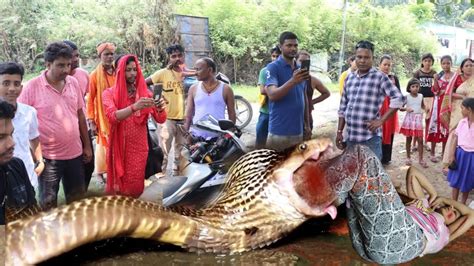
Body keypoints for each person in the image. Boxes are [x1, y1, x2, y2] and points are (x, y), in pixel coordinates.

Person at [326, 145, 474, 264]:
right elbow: (413, 172)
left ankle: (323, 196)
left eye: (456, 213)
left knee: (362, 153)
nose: (452, 209)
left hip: (406, 240)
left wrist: (447, 200)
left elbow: (471, 215)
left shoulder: (447, 233)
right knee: (355, 183)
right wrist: (434, 195)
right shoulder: (423, 205)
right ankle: (327, 196)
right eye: (450, 207)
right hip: (374, 247)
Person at [18, 42, 92, 210]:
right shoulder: (32, 87)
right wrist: (35, 158)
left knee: (77, 201)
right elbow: (23, 124)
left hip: (75, 154)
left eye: (68, 65)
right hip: (48, 159)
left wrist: (87, 146)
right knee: (48, 203)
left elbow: (81, 115)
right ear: (47, 64)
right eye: (60, 65)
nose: (66, 70)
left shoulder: (73, 82)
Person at [103, 54, 167, 197]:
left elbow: (161, 119)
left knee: (136, 187)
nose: (132, 74)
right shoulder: (109, 93)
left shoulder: (145, 93)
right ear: (119, 72)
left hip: (139, 148)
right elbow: (113, 117)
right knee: (119, 188)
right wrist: (134, 107)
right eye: (128, 70)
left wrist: (160, 107)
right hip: (119, 147)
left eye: (134, 69)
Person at [336, 40, 403, 160]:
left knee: (371, 176)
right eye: (359, 57)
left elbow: (398, 98)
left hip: (370, 139)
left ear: (373, 58)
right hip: (350, 137)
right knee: (353, 174)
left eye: (366, 57)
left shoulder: (380, 78)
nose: (362, 60)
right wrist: (339, 131)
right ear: (354, 58)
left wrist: (381, 120)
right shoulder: (349, 78)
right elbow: (343, 107)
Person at [0, 62, 43, 188]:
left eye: (16, 84)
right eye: (6, 83)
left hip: (27, 175)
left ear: (21, 87)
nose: (12, 88)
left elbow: (34, 138)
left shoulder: (29, 112)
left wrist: (40, 160)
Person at [145, 44, 186, 175]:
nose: (177, 58)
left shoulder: (189, 74)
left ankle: (177, 176)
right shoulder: (163, 73)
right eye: (173, 56)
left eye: (180, 55)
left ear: (183, 56)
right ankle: (161, 178)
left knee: (182, 151)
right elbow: (143, 84)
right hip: (166, 119)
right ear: (169, 58)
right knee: (164, 152)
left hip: (184, 120)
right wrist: (155, 97)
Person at [265, 31, 309, 149]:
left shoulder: (301, 69)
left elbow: (304, 97)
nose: (293, 49)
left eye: (295, 45)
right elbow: (272, 95)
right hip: (279, 132)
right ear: (280, 47)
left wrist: (307, 125)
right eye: (289, 45)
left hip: (297, 132)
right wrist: (293, 81)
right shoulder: (273, 67)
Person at [63, 40, 95, 190]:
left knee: (89, 164)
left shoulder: (82, 75)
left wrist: (92, 120)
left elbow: (88, 99)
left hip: (83, 126)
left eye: (77, 55)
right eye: (72, 56)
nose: (76, 59)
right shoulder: (55, 78)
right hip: (65, 133)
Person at [0, 101, 38, 225]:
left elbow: (33, 213)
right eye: (1, 138)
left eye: (11, 134)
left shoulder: (16, 166)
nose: (11, 143)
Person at [184, 57, 236, 140]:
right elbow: (188, 114)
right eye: (195, 69)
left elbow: (232, 114)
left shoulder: (226, 89)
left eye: (198, 69)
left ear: (210, 70)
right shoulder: (193, 88)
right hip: (196, 136)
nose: (195, 73)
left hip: (218, 138)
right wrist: (186, 133)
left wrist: (230, 134)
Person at [87, 42, 116, 181]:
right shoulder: (94, 75)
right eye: (106, 54)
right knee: (104, 143)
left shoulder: (119, 71)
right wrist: (91, 120)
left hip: (118, 113)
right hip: (103, 116)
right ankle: (101, 171)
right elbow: (90, 98)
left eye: (111, 54)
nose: (109, 57)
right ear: (100, 56)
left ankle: (113, 170)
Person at [440, 58, 474, 171]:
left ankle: (468, 163)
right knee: (456, 133)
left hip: (473, 109)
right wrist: (463, 97)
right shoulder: (457, 78)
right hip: (459, 109)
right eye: (467, 65)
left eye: (472, 65)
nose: (470, 67)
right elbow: (449, 93)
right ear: (462, 68)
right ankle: (450, 161)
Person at [296, 50, 330, 140]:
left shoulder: (312, 80)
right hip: (292, 117)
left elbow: (326, 93)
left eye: (306, 62)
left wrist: (311, 102)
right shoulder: (290, 78)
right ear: (295, 61)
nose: (303, 64)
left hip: (307, 116)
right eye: (301, 61)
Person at [447, 97, 474, 204]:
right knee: (456, 180)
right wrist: (451, 155)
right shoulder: (462, 122)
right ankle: (454, 203)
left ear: (469, 109)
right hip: (460, 154)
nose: (461, 110)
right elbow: (455, 139)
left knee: (467, 181)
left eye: (462, 108)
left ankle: (462, 203)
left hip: (471, 157)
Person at [426, 55, 454, 162]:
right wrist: (435, 80)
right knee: (435, 125)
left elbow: (456, 90)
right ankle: (432, 152)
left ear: (451, 63)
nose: (446, 65)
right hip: (438, 104)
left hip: (449, 105)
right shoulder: (439, 76)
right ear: (441, 64)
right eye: (444, 63)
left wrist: (447, 92)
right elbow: (435, 90)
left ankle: (444, 153)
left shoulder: (455, 76)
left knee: (446, 127)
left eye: (448, 63)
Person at [255, 46, 281, 148]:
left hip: (280, 112)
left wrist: (272, 89)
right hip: (266, 111)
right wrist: (278, 90)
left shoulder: (285, 71)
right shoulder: (265, 71)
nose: (274, 58)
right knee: (260, 140)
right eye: (273, 56)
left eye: (277, 56)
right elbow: (262, 90)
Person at [400, 78, 427, 168]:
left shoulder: (421, 96)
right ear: (409, 88)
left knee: (420, 139)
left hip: (418, 119)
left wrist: (426, 109)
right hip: (409, 119)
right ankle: (408, 157)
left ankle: (421, 159)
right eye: (413, 86)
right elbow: (400, 107)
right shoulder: (407, 97)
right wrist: (406, 109)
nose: (415, 88)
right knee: (409, 138)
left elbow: (422, 105)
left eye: (417, 86)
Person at [378, 55, 400, 165]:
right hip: (379, 108)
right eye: (384, 64)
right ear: (379, 65)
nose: (387, 67)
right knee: (379, 132)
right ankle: (378, 157)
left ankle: (386, 158)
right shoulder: (375, 77)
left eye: (389, 65)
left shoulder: (393, 78)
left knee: (389, 132)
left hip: (391, 109)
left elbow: (399, 94)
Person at [413, 53, 437, 152]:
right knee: (417, 122)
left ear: (432, 62)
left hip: (431, 99)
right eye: (425, 61)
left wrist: (436, 80)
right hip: (419, 99)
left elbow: (436, 88)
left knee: (428, 122)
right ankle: (414, 144)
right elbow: (412, 86)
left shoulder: (434, 73)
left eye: (429, 61)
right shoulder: (417, 73)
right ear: (422, 62)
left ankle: (426, 142)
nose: (427, 63)